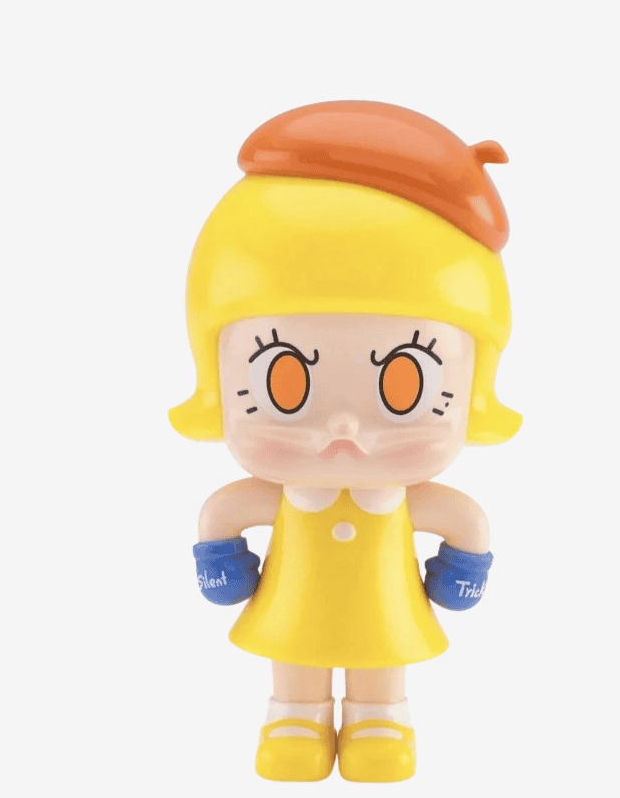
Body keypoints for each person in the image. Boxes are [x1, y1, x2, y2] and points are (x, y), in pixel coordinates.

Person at [169, 101, 520, 782]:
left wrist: (467, 562)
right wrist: (218, 553)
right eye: (285, 382)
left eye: (404, 385)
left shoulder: (402, 498)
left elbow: (463, 517)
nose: (345, 429)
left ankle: (378, 716)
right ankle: (294, 715)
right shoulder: (290, 492)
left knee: (379, 656)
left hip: (384, 607)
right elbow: (224, 509)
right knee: (295, 651)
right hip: (295, 601)